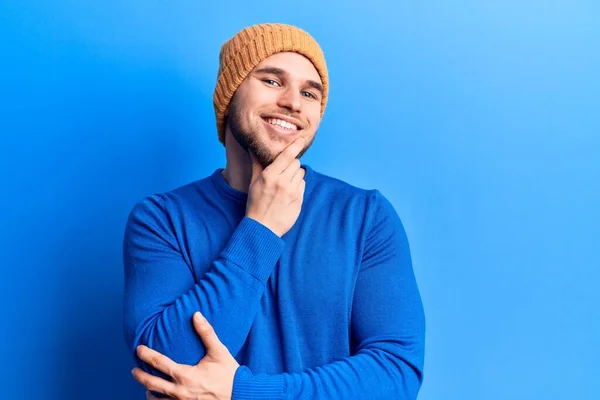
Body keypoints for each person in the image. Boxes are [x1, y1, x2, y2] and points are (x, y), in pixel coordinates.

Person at [123, 23, 426, 399]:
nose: (293, 103)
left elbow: (395, 373)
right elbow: (164, 363)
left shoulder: (365, 217)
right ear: (229, 95)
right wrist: (261, 228)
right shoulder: (161, 219)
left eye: (309, 93)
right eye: (271, 81)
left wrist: (244, 392)